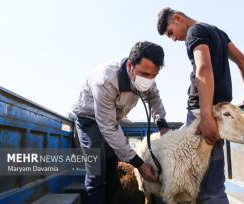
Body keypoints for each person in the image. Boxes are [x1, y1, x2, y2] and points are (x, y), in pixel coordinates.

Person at [157, 8, 244, 204]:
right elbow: (243, 61)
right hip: (219, 112)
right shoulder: (218, 32)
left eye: (170, 32)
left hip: (201, 114)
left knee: (201, 188)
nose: (173, 39)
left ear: (177, 18)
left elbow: (203, 68)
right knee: (214, 180)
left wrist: (205, 116)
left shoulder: (194, 32)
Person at [72, 41, 170, 204]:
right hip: (88, 120)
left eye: (154, 75)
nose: (149, 79)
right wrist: (139, 164)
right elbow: (108, 127)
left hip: (112, 119)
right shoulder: (106, 80)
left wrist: (163, 125)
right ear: (130, 65)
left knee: (112, 171)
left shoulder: (146, 76)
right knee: (96, 172)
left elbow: (154, 97)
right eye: (145, 74)